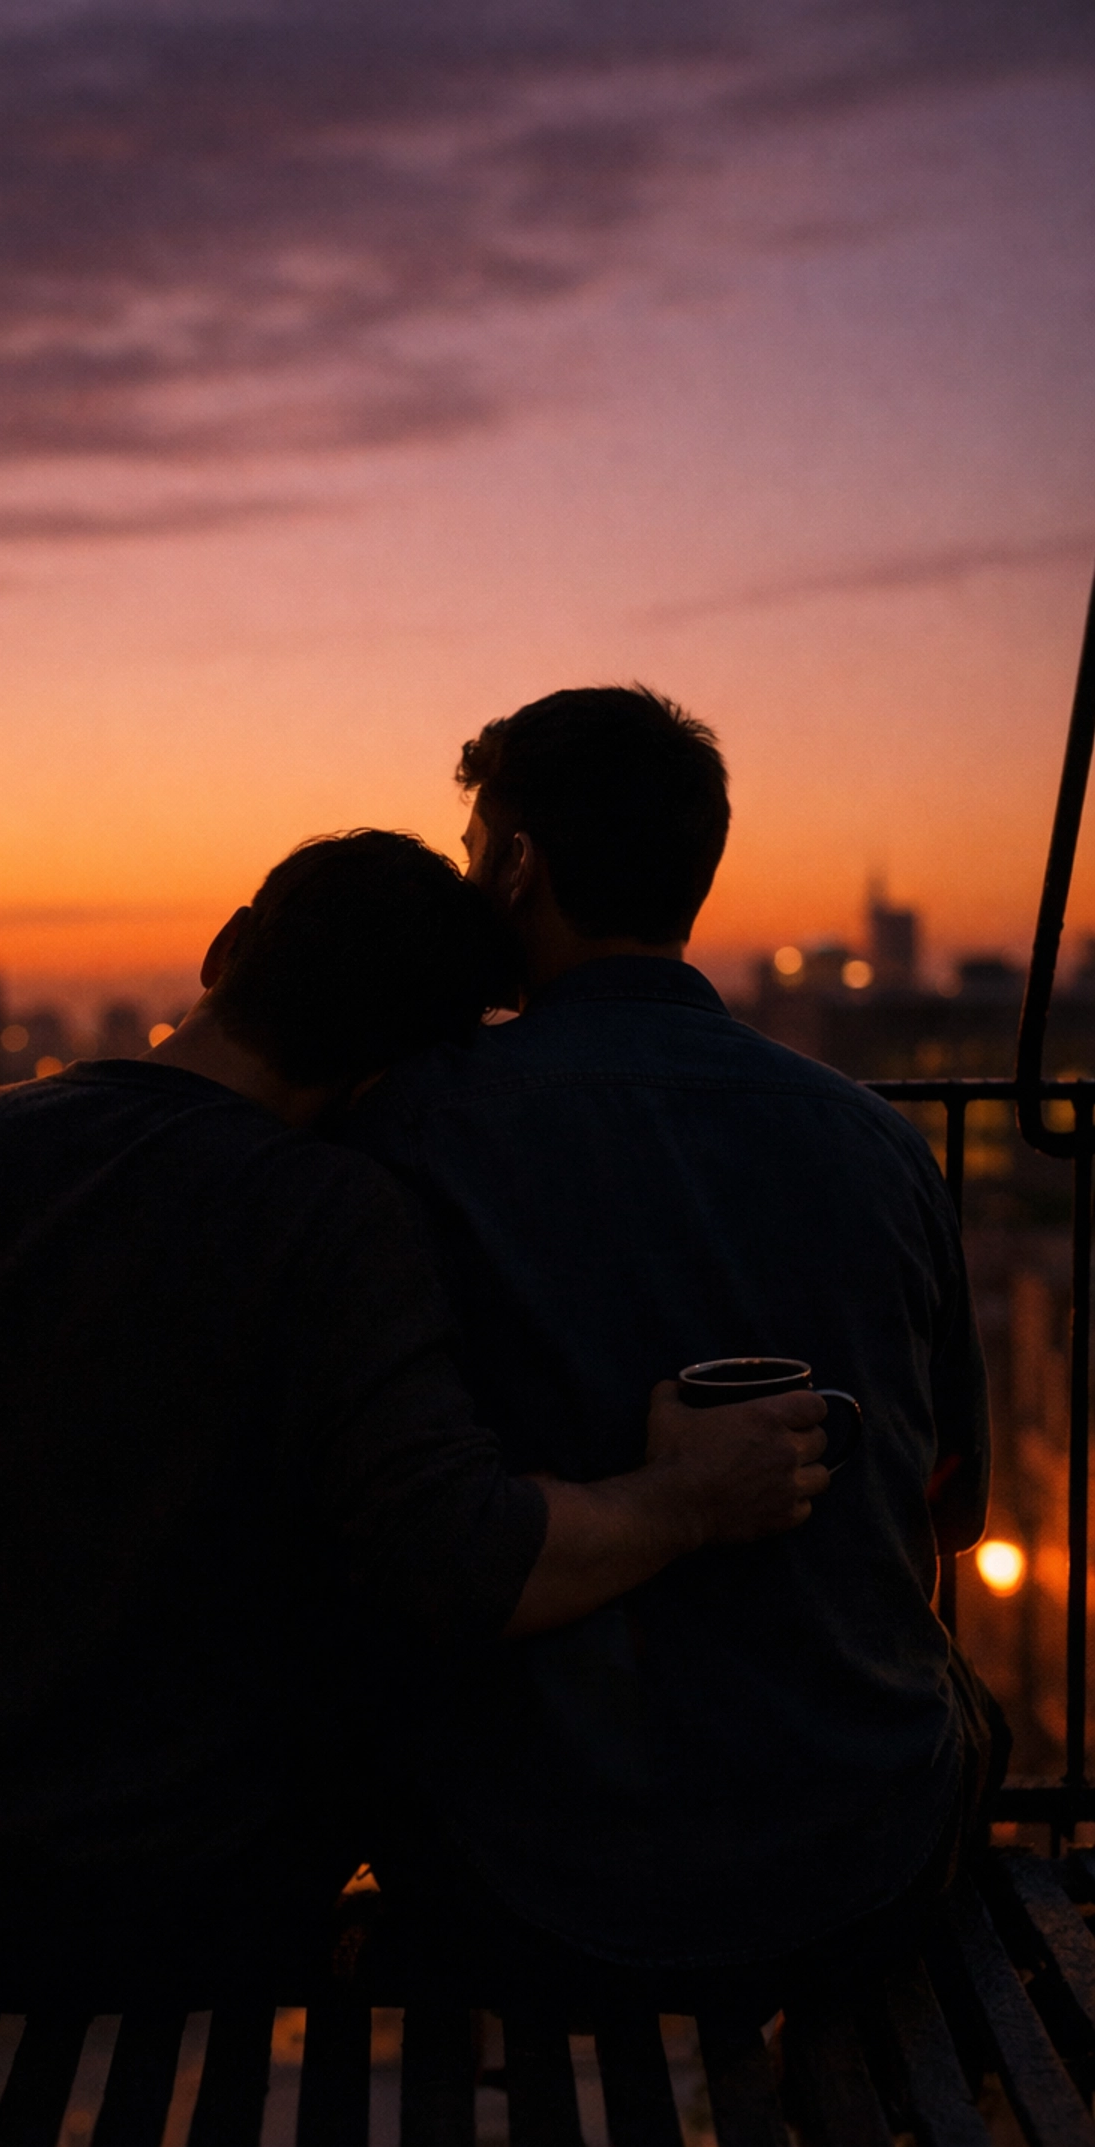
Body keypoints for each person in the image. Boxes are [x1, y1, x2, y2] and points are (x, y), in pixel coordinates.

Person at [0, 830, 826, 1999]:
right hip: (183, 1909)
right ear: (398, 1070)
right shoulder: (336, 1222)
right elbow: (464, 1561)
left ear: (225, 948)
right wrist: (689, 1497)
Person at [347, 691, 1005, 2014]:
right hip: (855, 1866)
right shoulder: (876, 1143)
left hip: (528, 1878)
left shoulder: (408, 1132)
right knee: (962, 1716)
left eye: (479, 843)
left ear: (518, 863)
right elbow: (950, 1503)